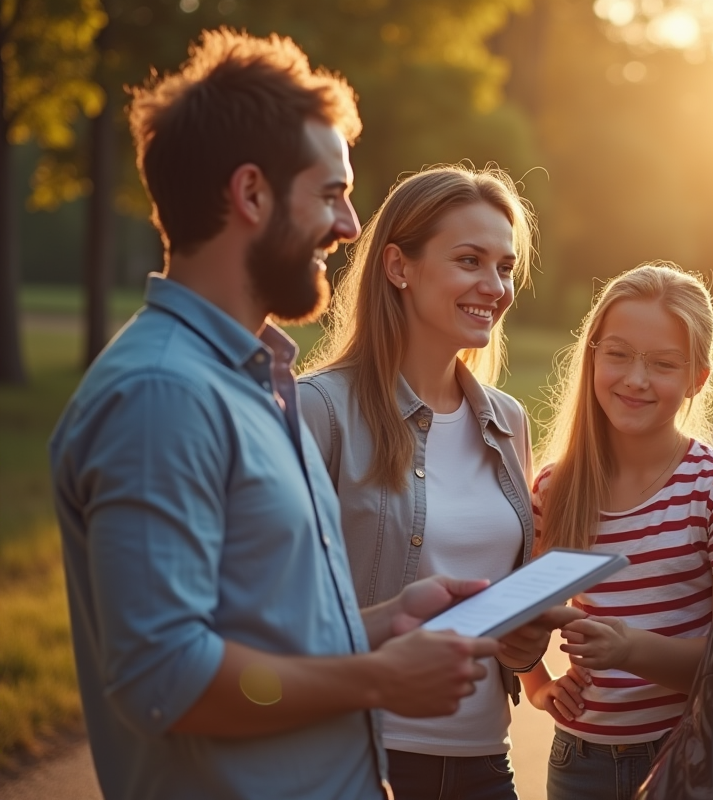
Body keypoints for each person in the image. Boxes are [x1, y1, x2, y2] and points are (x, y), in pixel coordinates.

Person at [49, 30, 501, 800]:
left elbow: (263, 645)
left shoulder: (255, 379)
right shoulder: (164, 396)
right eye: (331, 194)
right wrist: (374, 679)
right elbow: (170, 679)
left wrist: (389, 621)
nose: (351, 226)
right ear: (251, 193)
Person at [298, 164, 583, 800]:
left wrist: (524, 635)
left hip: (484, 757)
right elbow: (276, 615)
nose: (496, 286)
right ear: (399, 267)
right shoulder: (318, 411)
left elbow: (500, 631)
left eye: (506, 267)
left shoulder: (505, 420)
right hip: (360, 756)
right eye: (469, 260)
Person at [520, 262, 713, 800]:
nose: (635, 379)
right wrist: (537, 686)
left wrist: (627, 648)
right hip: (578, 762)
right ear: (593, 355)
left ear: (697, 377)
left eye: (663, 363)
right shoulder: (555, 488)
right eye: (618, 354)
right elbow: (516, 614)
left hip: (684, 756)